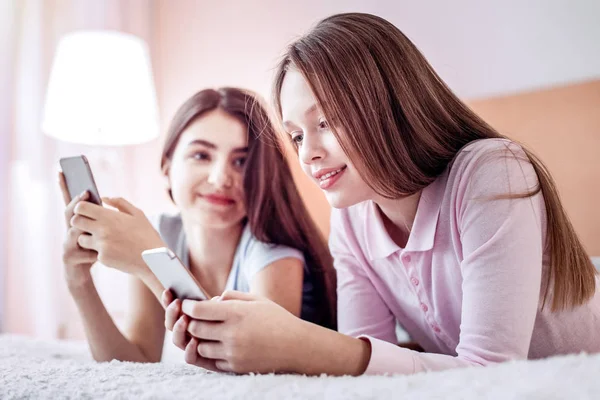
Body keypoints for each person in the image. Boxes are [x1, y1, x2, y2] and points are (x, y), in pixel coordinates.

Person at [164, 13, 600, 375]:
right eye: (296, 137)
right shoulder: (351, 219)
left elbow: (492, 374)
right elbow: (367, 367)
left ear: (388, 103)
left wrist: (300, 344)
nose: (308, 155)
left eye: (326, 122)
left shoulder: (492, 170)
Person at [59, 87, 336, 363]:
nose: (220, 178)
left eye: (241, 161)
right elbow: (136, 362)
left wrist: (148, 261)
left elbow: (251, 363)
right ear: (167, 169)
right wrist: (79, 282)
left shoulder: (275, 251)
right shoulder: (158, 233)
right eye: (201, 156)